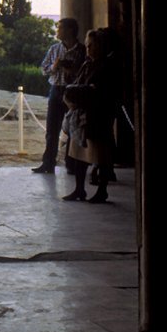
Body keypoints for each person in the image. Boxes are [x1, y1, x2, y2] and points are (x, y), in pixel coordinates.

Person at [62, 29, 121, 203]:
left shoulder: (108, 66)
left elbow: (101, 92)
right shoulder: (87, 64)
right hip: (82, 117)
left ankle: (102, 191)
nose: (88, 49)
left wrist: (78, 92)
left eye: (91, 45)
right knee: (79, 154)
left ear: (100, 46)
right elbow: (79, 84)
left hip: (99, 116)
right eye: (87, 45)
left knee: (100, 156)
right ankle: (79, 189)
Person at [32, 18, 85, 173]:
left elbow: (83, 72)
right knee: (52, 129)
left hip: (74, 91)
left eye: (60, 28)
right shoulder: (55, 48)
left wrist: (72, 70)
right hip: (56, 90)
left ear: (69, 30)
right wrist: (54, 67)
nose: (57, 31)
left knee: (74, 129)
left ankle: (72, 162)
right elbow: (43, 69)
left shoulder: (82, 50)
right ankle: (48, 162)